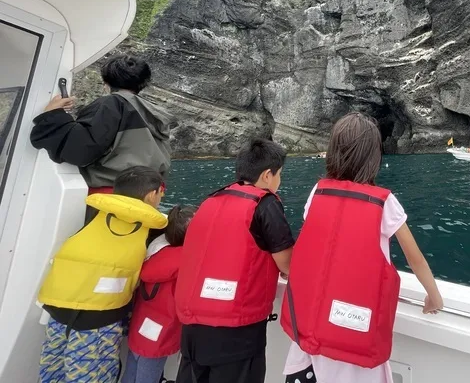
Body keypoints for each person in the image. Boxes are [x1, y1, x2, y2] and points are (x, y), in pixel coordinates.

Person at [281, 112, 444, 383]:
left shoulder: (318, 192)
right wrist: (434, 297)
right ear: (374, 156)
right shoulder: (384, 203)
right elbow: (416, 261)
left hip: (307, 349)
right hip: (354, 354)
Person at [174, 139, 294, 383]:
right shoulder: (265, 203)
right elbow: (287, 264)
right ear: (268, 175)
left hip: (192, 327)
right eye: (280, 174)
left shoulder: (211, 201)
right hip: (236, 329)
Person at [38, 167, 168, 383]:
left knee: (52, 374)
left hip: (58, 310)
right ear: (152, 194)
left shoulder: (92, 213)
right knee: (92, 377)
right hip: (98, 319)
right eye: (161, 194)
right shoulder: (153, 229)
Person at [30, 54, 172, 222]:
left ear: (106, 82)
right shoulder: (155, 114)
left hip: (110, 203)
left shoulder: (111, 104)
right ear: (143, 83)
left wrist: (52, 115)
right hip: (144, 202)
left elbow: (81, 150)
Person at [123, 205, 197, 383]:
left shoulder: (155, 252)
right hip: (163, 331)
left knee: (131, 372)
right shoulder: (186, 261)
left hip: (141, 324)